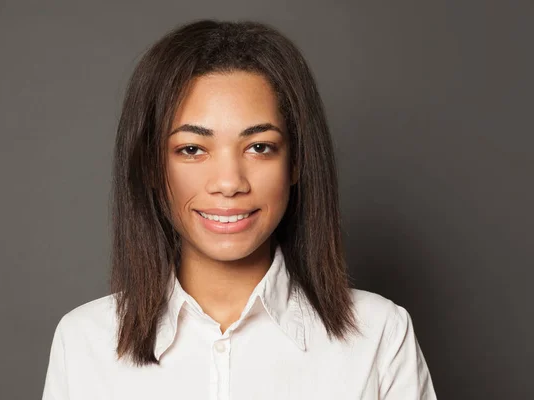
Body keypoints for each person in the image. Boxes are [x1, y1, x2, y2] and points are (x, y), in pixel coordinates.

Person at [42, 19, 437, 399]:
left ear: (296, 161)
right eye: (192, 150)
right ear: (151, 166)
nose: (229, 182)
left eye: (259, 147)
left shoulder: (379, 333)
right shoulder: (84, 342)